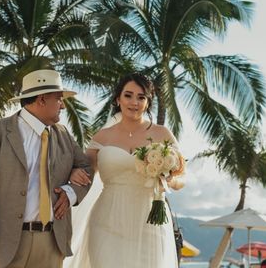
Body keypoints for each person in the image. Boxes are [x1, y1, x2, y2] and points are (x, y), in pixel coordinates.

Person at [0, 69, 93, 268]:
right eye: (59, 99)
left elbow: (86, 168)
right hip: (3, 241)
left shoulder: (64, 135)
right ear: (42, 100)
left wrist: (70, 192)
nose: (63, 106)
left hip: (51, 243)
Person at [66, 73, 185, 268]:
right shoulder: (102, 137)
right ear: (117, 99)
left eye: (141, 97)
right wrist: (73, 173)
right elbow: (84, 173)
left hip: (150, 221)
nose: (134, 102)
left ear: (148, 102)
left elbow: (181, 180)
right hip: (107, 222)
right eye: (128, 95)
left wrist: (167, 178)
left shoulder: (162, 134)